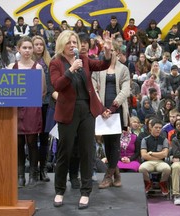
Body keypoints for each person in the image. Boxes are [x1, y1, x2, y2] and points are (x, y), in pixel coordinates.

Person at [49, 30, 112, 209]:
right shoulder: (55, 62)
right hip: (67, 112)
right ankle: (59, 190)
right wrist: (70, 70)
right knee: (65, 152)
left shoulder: (83, 59)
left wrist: (107, 51)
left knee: (87, 151)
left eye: (74, 42)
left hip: (86, 110)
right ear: (62, 44)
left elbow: (102, 65)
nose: (72, 45)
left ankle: (85, 192)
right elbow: (57, 85)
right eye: (68, 42)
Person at [7, 36, 46, 187]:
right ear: (18, 49)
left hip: (32, 109)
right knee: (18, 142)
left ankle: (33, 174)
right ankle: (20, 175)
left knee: (31, 141)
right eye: (24, 48)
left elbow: (42, 91)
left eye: (30, 48)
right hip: (16, 109)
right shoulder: (11, 67)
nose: (27, 51)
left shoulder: (38, 67)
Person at [92, 40, 130, 189]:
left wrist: (112, 108)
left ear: (118, 53)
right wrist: (101, 108)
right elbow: (93, 87)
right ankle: (117, 173)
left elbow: (125, 90)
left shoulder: (124, 69)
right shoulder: (98, 68)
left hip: (117, 110)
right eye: (106, 50)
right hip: (102, 110)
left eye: (112, 50)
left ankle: (108, 176)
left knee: (114, 142)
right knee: (106, 142)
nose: (109, 53)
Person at [32, 35, 52, 182]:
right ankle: (33, 169)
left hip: (46, 103)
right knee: (32, 137)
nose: (39, 47)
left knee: (44, 137)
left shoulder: (49, 62)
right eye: (36, 44)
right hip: (31, 104)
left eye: (41, 44)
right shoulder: (27, 63)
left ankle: (43, 169)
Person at [139, 118, 171, 194]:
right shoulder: (145, 139)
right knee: (141, 168)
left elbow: (165, 154)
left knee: (167, 169)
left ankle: (162, 183)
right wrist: (159, 155)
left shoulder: (164, 140)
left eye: (160, 128)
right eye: (156, 128)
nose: (158, 130)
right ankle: (148, 183)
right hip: (148, 162)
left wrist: (151, 153)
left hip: (160, 162)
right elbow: (143, 155)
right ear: (151, 128)